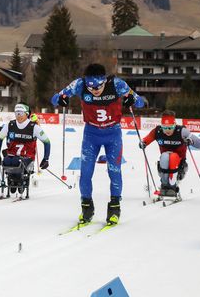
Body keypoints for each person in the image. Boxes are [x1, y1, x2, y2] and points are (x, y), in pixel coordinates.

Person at [51, 63, 145, 226]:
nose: (95, 90)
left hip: (113, 134)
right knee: (86, 172)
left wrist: (132, 99)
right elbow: (54, 99)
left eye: (98, 86)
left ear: (104, 80)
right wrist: (60, 99)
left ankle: (114, 208)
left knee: (114, 171)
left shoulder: (117, 84)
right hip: (91, 134)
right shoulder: (79, 84)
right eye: (91, 87)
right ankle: (87, 207)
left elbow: (141, 102)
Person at [139, 110, 200, 197]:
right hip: (164, 161)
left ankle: (172, 186)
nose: (167, 131)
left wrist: (190, 141)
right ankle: (164, 185)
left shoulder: (182, 131)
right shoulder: (157, 131)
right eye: (164, 128)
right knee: (165, 156)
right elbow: (146, 139)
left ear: (174, 125)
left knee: (172, 156)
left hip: (180, 163)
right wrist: (143, 143)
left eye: (170, 127)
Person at [0, 103, 50, 194]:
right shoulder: (10, 125)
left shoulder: (34, 127)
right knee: (7, 161)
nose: (18, 116)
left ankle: (19, 179)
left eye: (21, 113)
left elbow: (47, 142)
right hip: (12, 155)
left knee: (18, 163)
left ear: (27, 114)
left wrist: (45, 159)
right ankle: (13, 179)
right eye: (16, 113)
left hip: (27, 156)